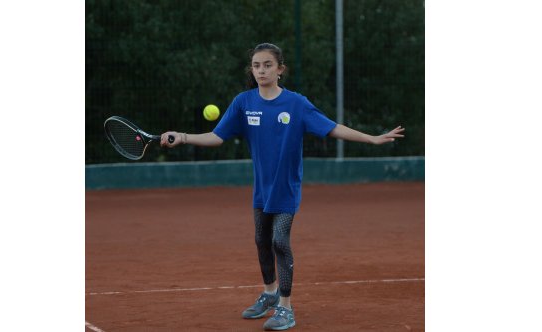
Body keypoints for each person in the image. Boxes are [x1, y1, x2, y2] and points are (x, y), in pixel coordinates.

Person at [160, 43, 405, 331]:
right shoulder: (243, 102)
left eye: (267, 65)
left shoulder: (297, 104)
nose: (261, 70)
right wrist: (183, 137)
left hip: (287, 187)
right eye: (256, 65)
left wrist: (373, 138)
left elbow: (332, 127)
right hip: (262, 188)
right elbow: (217, 136)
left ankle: (286, 308)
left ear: (280, 69)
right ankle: (269, 292)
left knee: (279, 240)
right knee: (261, 240)